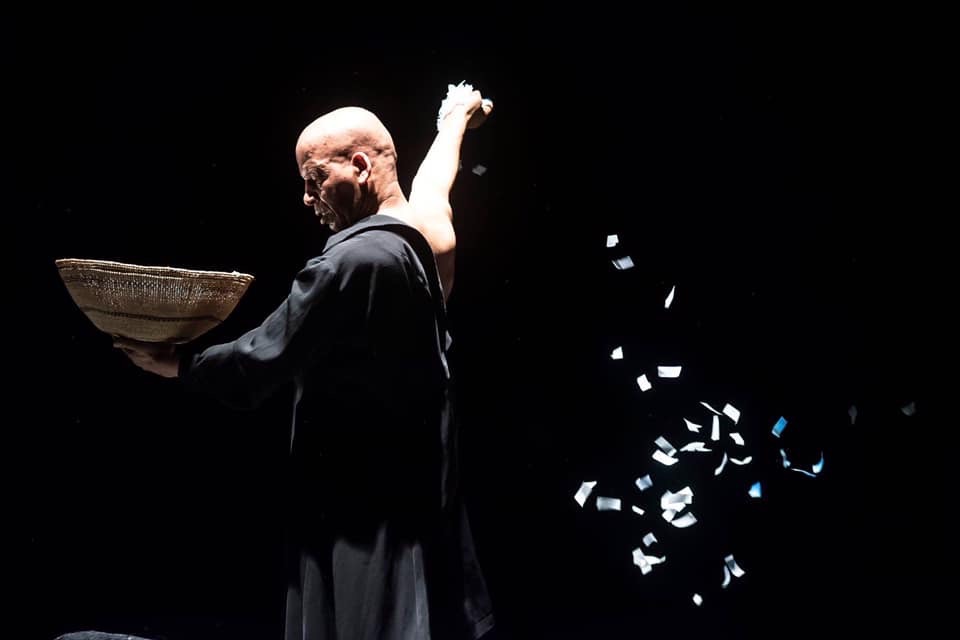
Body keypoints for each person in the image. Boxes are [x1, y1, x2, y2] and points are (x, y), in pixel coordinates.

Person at [114, 86, 495, 640]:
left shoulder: (355, 261)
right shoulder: (428, 237)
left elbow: (262, 357)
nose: (307, 197)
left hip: (360, 511)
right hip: (419, 497)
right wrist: (457, 117)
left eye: (315, 179)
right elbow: (435, 182)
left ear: (360, 166)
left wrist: (178, 364)